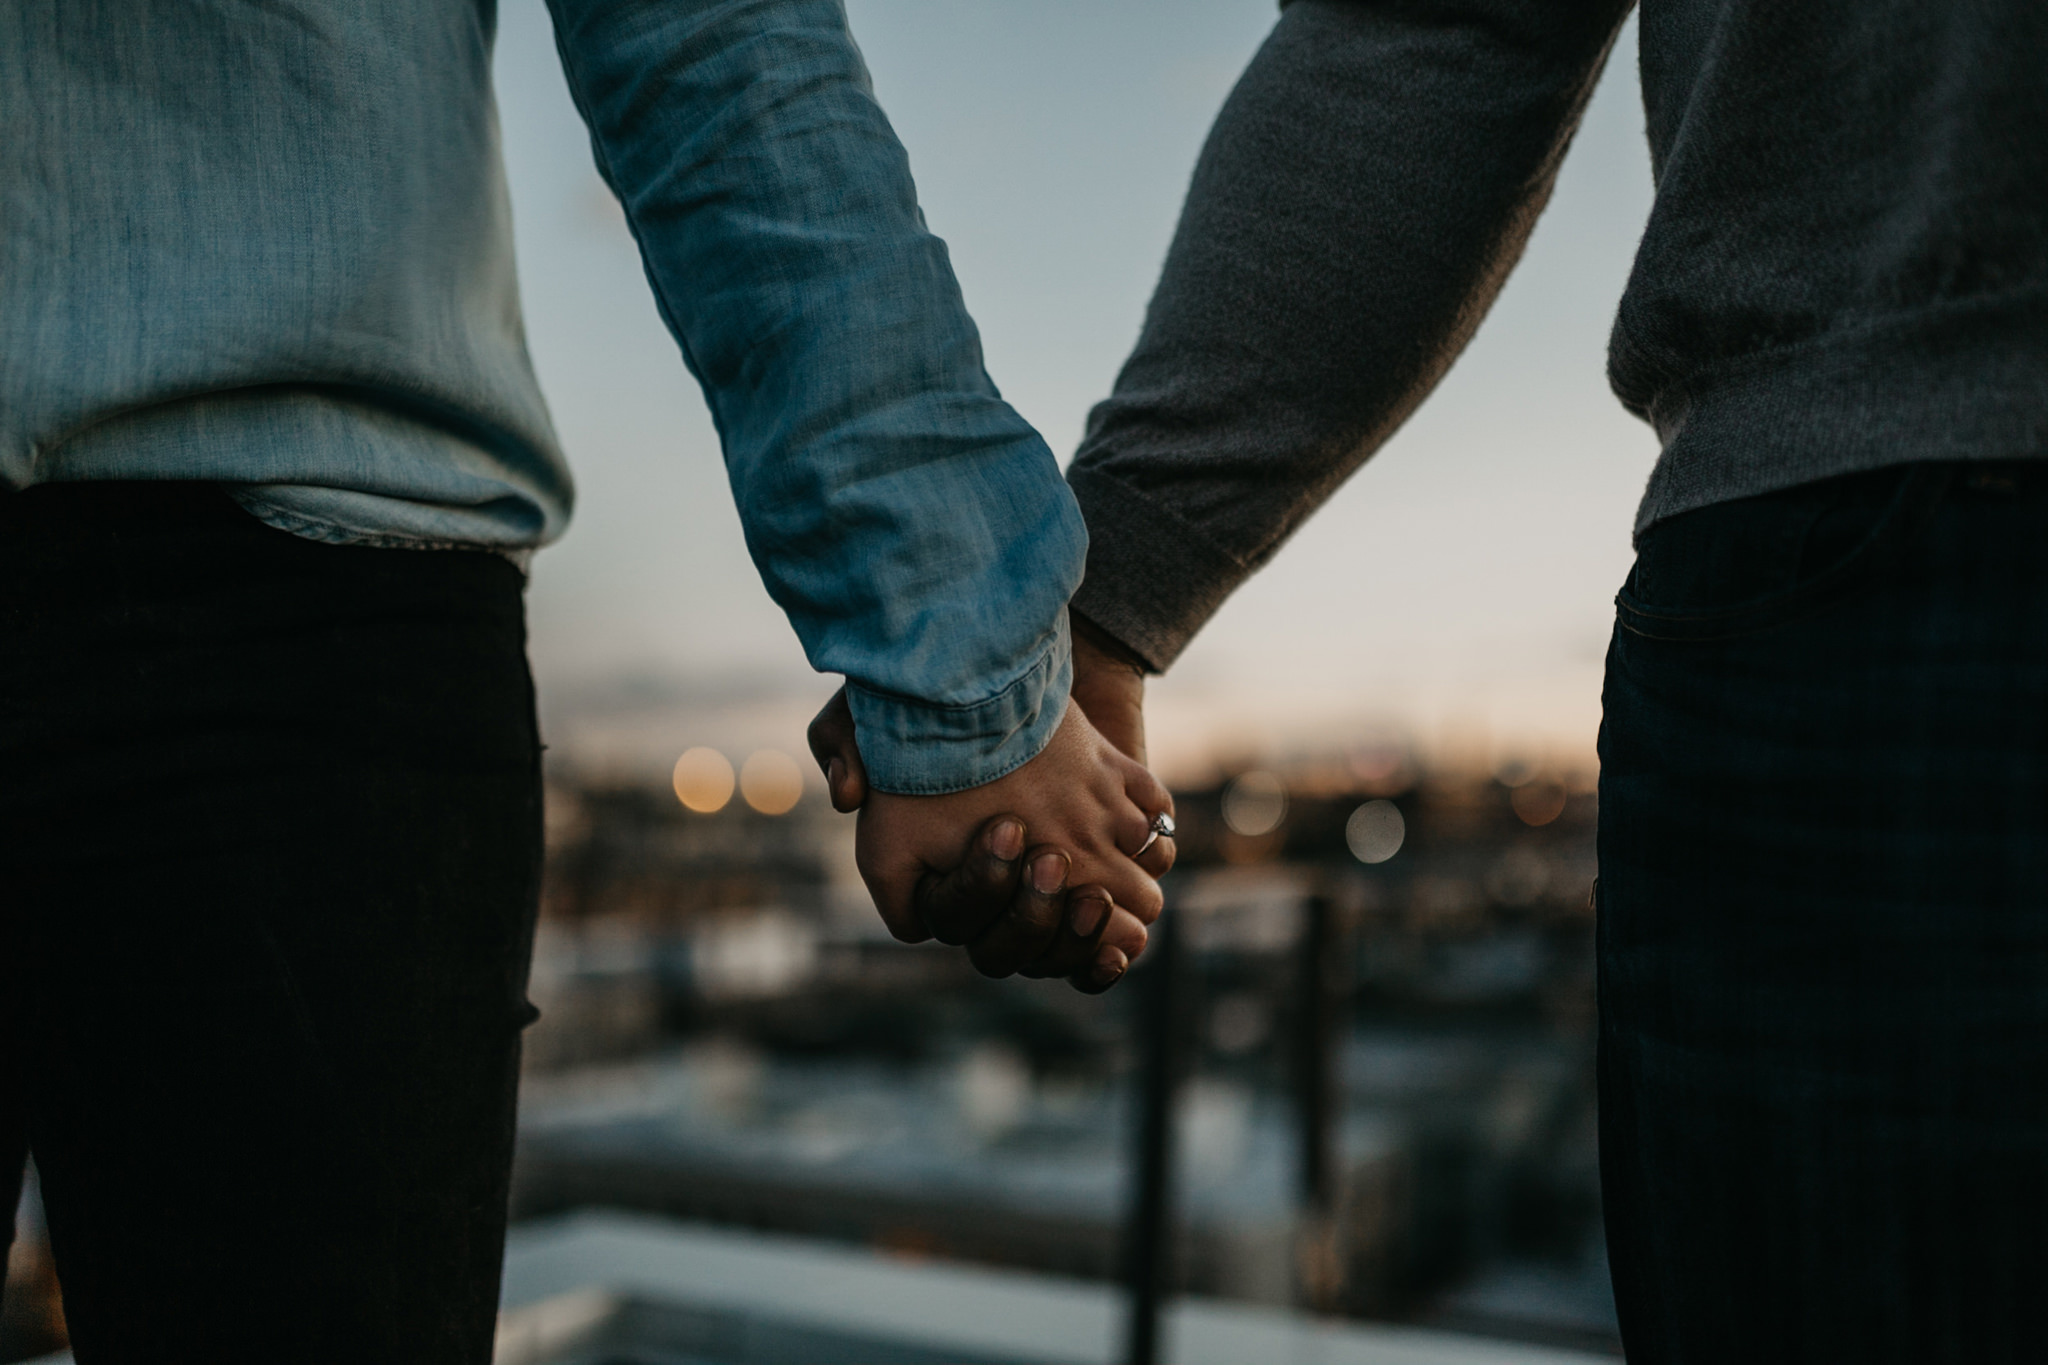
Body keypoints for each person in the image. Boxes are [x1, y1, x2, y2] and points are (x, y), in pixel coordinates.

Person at [819, 0, 2048, 1359]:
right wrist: (1082, 610)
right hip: (1838, 583)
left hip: (1845, 577)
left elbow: (1446, 29)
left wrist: (1052, 629)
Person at [0, 1, 1173, 1359]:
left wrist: (964, 662)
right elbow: (705, 40)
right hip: (301, 589)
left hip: (307, 611)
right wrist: (960, 673)